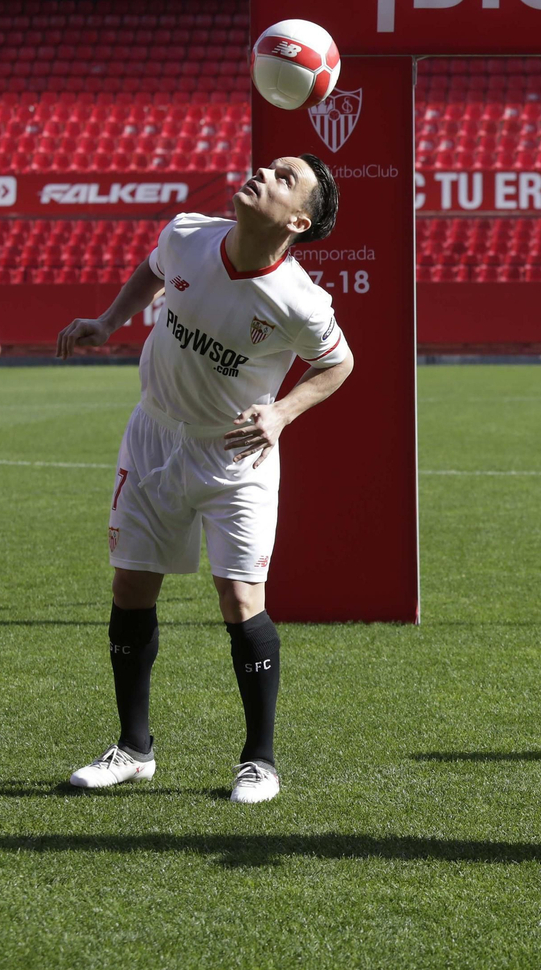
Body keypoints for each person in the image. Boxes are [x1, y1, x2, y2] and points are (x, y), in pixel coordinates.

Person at [57, 153, 355, 803]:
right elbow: (153, 267)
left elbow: (338, 363)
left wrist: (280, 412)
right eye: (269, 166)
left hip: (234, 456)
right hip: (154, 432)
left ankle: (259, 760)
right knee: (131, 585)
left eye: (284, 179)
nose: (264, 175)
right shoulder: (189, 233)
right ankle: (134, 749)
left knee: (240, 599)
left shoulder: (299, 300)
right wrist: (108, 321)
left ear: (299, 220)